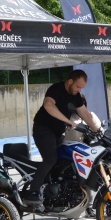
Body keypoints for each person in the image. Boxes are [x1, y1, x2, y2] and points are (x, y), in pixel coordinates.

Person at [24, 70, 99, 205]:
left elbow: (85, 114)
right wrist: (69, 121)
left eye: (81, 87)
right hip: (43, 129)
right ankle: (33, 191)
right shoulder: (55, 89)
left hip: (57, 132)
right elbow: (48, 106)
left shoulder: (75, 95)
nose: (79, 90)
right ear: (70, 81)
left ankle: (53, 192)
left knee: (63, 159)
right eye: (78, 86)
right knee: (50, 159)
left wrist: (98, 132)